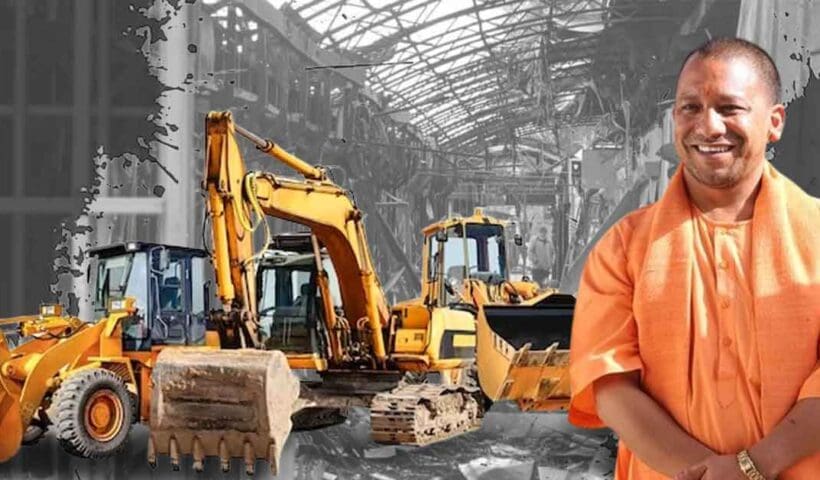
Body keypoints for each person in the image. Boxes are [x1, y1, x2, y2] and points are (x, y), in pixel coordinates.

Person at [568, 37, 820, 480]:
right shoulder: (623, 249)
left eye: (729, 107)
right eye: (690, 108)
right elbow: (609, 384)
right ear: (673, 120)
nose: (708, 127)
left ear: (775, 121)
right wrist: (708, 474)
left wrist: (755, 467)